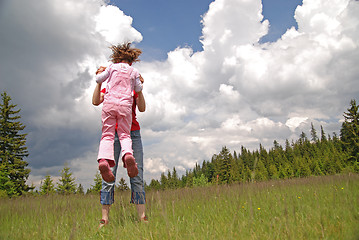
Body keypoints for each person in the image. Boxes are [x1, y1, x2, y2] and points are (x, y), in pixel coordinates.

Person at [92, 67, 147, 226]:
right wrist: (99, 83)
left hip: (131, 133)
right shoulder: (110, 84)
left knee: (136, 175)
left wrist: (140, 89)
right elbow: (96, 100)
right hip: (118, 134)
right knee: (109, 177)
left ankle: (141, 218)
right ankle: (105, 218)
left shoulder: (131, 84)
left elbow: (141, 108)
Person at [95, 43, 143, 183]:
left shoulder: (111, 67)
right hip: (125, 107)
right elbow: (138, 88)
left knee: (107, 135)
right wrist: (138, 83)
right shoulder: (134, 71)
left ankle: (103, 160)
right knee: (124, 134)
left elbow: (99, 79)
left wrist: (99, 74)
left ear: (116, 59)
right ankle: (128, 154)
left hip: (109, 105)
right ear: (132, 61)